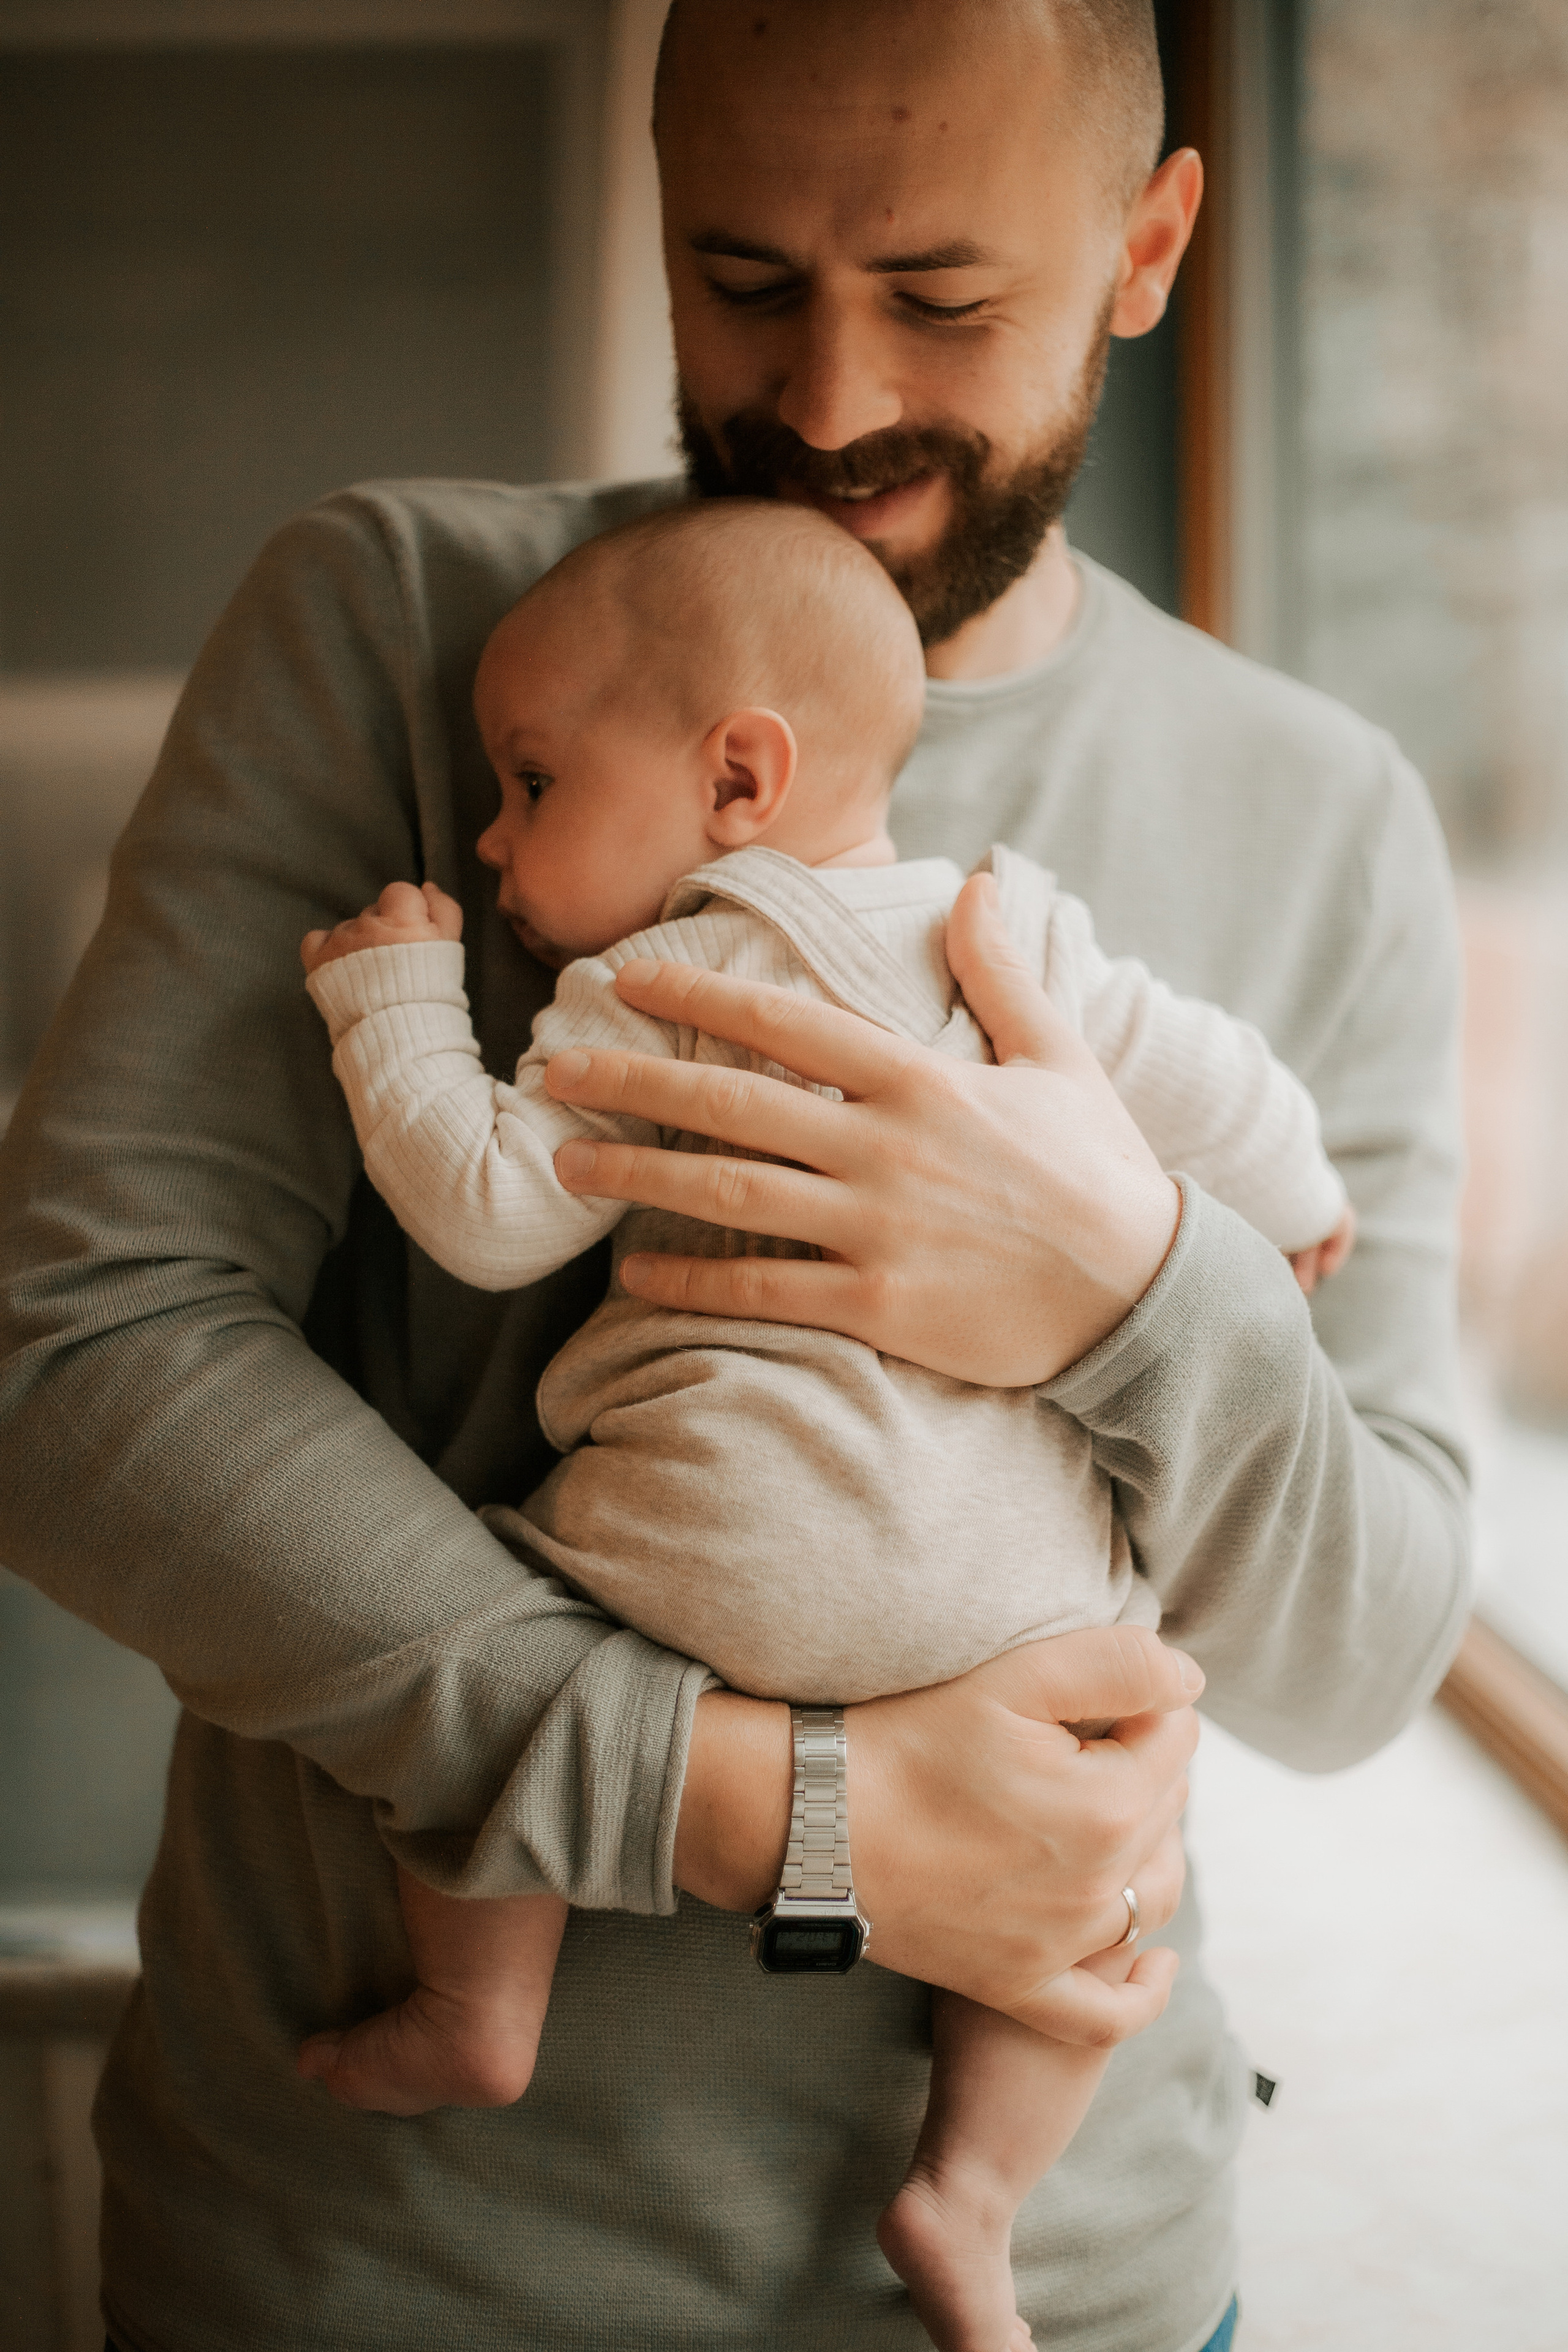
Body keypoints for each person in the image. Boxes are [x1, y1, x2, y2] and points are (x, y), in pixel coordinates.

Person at [0, 4, 1468, 2349]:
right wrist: (759, 1804)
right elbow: (75, 1369)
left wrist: (1126, 1289)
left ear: (1153, 243)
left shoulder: (1326, 809)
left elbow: (1361, 1653)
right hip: (394, 2275)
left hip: (1077, 2290)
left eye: (943, 295)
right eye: (746, 276)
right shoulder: (410, 633)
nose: (818, 397)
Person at [290, 499, 1352, 2352]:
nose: (493, 833)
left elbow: (482, 1205)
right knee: (1093, 1861)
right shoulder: (1012, 934)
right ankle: (969, 2198)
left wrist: (390, 996)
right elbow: (1213, 1083)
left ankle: (480, 2009)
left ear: (737, 777)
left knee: (472, 1646)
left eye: (533, 781)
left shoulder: (656, 990)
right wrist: (1292, 1202)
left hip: (716, 1558)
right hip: (1017, 1612)